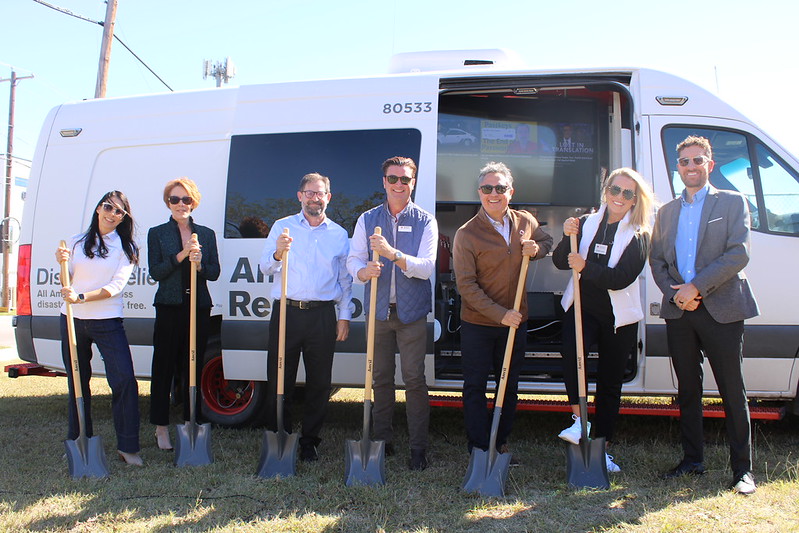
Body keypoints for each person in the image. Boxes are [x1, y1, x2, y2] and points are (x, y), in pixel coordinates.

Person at [650, 135, 759, 495]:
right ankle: (692, 461)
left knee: (732, 390)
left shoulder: (731, 202)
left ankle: (742, 470)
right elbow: (658, 260)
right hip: (680, 312)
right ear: (677, 167)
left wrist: (694, 288)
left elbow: (737, 254)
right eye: (684, 162)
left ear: (709, 165)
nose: (691, 167)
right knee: (688, 390)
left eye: (698, 161)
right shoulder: (665, 212)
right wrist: (675, 293)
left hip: (722, 308)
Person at [552, 168, 655, 473]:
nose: (619, 197)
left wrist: (586, 267)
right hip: (581, 308)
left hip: (618, 318)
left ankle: (602, 449)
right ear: (606, 191)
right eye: (615, 190)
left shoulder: (640, 234)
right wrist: (567, 235)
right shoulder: (586, 223)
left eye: (627, 193)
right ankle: (578, 422)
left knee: (609, 383)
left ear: (636, 200)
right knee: (571, 358)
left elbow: (621, 278)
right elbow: (561, 261)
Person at [452, 161, 552, 457]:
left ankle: (501, 438)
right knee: (475, 386)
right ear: (479, 192)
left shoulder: (525, 221)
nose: (493, 194)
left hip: (515, 323)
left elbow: (547, 241)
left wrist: (538, 250)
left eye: (500, 188)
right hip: (479, 324)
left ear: (511, 191)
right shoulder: (467, 233)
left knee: (508, 385)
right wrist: (500, 314)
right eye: (487, 188)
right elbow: (466, 286)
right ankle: (480, 445)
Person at [347, 156, 437, 470]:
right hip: (378, 313)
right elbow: (352, 260)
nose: (399, 185)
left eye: (405, 179)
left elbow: (425, 269)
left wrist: (391, 254)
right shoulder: (367, 218)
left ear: (413, 183)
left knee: (414, 380)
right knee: (381, 379)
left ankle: (418, 450)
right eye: (393, 178)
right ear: (384, 181)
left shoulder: (426, 220)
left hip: (411, 314)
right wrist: (363, 271)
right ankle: (381, 444)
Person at [259, 172, 353, 461]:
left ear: (328, 197)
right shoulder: (282, 227)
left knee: (319, 382)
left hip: (322, 315)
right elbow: (264, 267)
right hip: (287, 312)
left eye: (320, 193)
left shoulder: (338, 234)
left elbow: (345, 281)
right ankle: (280, 437)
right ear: (300, 196)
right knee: (279, 378)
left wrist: (344, 316)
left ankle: (310, 441)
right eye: (309, 193)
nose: (315, 198)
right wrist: (277, 254)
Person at [56, 191, 143, 466]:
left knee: (125, 381)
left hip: (107, 321)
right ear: (97, 209)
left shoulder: (126, 248)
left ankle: (128, 447)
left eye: (119, 211)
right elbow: (68, 279)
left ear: (123, 218)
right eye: (108, 207)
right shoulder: (74, 242)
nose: (112, 214)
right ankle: (79, 441)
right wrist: (60, 261)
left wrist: (82, 297)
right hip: (71, 320)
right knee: (78, 384)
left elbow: (116, 287)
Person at [148, 177, 220, 451]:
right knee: (163, 367)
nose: (181, 204)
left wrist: (200, 264)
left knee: (193, 367)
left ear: (194, 202)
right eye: (175, 199)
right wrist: (181, 256)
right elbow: (156, 272)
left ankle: (192, 422)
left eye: (186, 199)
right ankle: (161, 427)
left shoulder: (206, 234)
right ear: (168, 203)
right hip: (169, 308)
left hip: (199, 308)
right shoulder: (157, 233)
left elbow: (214, 273)